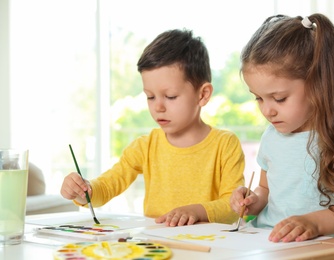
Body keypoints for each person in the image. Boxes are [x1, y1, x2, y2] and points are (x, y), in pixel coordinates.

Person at [61, 29, 245, 226]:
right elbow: (107, 186)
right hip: (157, 246)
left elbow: (234, 207)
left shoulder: (225, 145)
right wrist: (84, 191)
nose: (158, 107)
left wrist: (196, 211)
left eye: (171, 96)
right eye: (150, 96)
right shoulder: (145, 146)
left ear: (203, 95)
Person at [230, 13, 334, 242]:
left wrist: (315, 223)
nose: (267, 111)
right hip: (268, 242)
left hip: (322, 249)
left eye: (279, 99)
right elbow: (266, 190)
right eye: (259, 99)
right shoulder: (272, 135)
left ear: (318, 84)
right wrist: (252, 200)